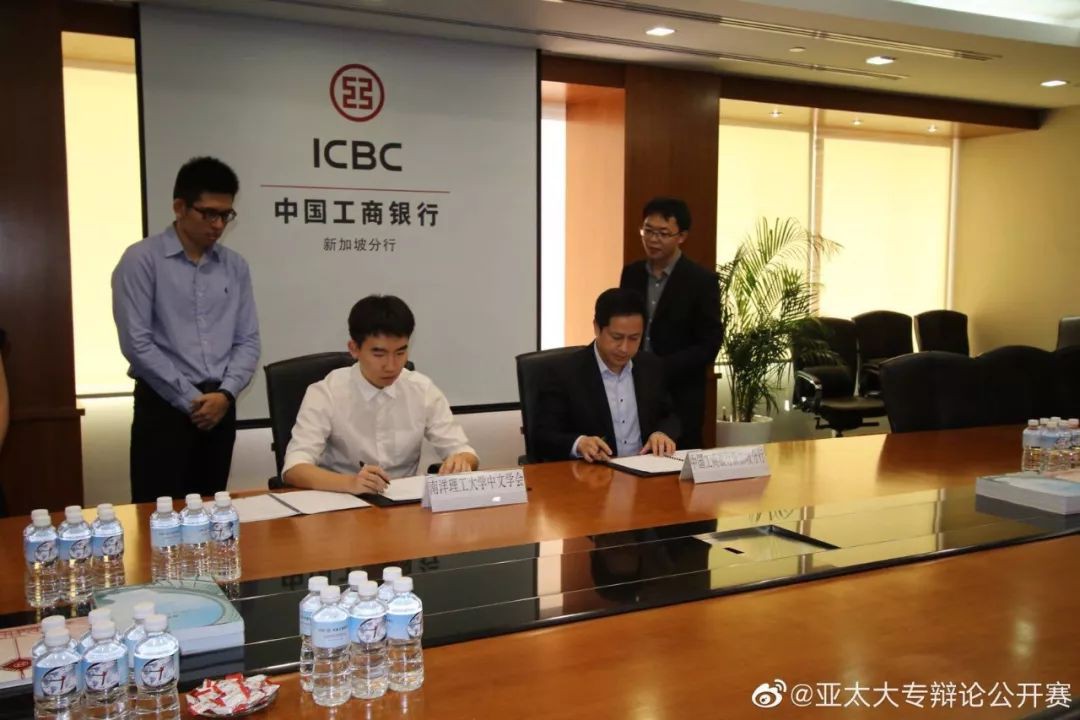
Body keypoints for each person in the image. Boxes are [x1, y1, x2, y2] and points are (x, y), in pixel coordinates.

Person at [112, 157, 260, 503]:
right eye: (208, 214)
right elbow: (136, 342)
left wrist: (226, 395)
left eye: (225, 215)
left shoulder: (235, 266)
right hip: (164, 406)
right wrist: (191, 400)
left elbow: (248, 340)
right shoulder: (141, 260)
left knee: (212, 511)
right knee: (157, 514)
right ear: (179, 207)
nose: (218, 225)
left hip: (220, 406)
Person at [283, 295, 479, 494]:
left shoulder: (422, 389)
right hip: (342, 498)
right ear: (354, 349)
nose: (391, 366)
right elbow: (294, 468)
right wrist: (351, 483)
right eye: (379, 354)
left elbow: (464, 452)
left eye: (400, 353)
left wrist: (460, 461)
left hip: (405, 503)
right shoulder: (326, 392)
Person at [620, 197, 723, 449]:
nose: (653, 239)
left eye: (663, 233)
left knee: (677, 464)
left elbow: (709, 344)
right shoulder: (632, 274)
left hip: (680, 392)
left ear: (682, 236)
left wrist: (659, 367)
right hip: (634, 388)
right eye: (648, 231)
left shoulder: (701, 281)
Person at [533, 288, 679, 463]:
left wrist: (662, 433)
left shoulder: (651, 367)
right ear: (597, 328)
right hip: (595, 473)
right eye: (616, 337)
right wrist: (579, 443)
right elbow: (543, 435)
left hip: (646, 468)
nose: (624, 348)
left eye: (634, 338)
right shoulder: (564, 373)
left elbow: (669, 415)